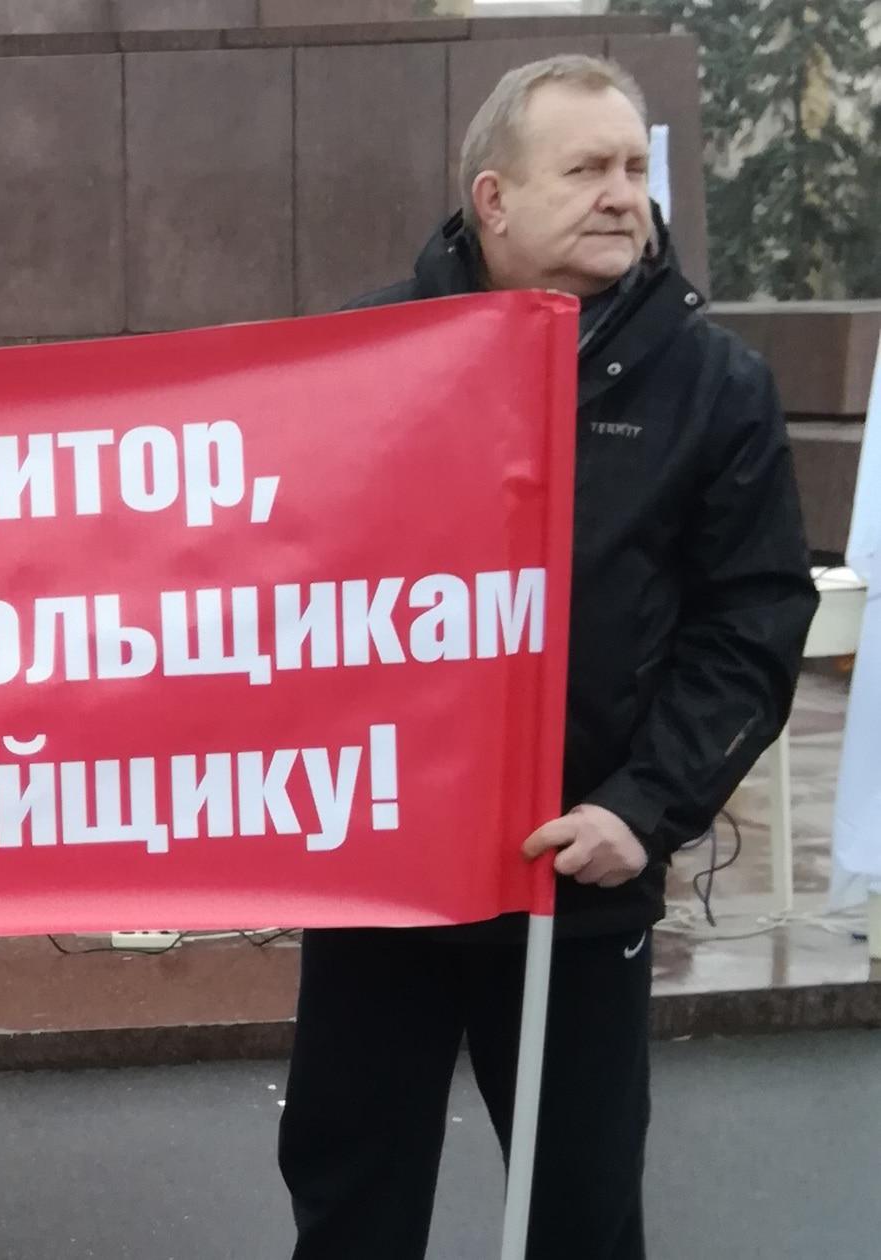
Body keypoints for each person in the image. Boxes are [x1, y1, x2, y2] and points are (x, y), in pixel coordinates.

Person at [275, 56, 818, 1260]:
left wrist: (644, 808)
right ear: (494, 198)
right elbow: (264, 589)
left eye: (631, 167)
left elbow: (751, 624)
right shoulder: (363, 356)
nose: (623, 194)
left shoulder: (713, 386)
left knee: (579, 1211)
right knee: (350, 1201)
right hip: (385, 878)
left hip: (578, 880)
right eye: (584, 170)